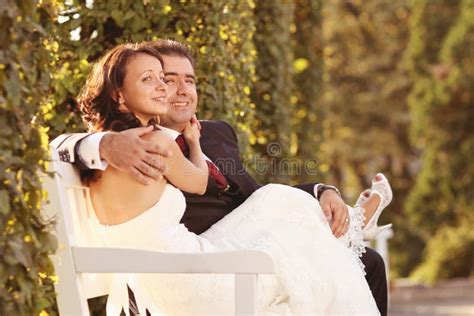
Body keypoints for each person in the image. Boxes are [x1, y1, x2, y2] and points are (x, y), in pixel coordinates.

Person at [53, 40, 391, 315]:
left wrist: (321, 190)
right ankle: (356, 226)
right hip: (197, 275)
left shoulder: (211, 133)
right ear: (119, 94)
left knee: (283, 204)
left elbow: (249, 195)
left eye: (188, 80)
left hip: (195, 265)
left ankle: (352, 225)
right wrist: (103, 144)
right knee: (325, 268)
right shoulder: (131, 146)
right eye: (163, 80)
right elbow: (60, 146)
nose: (173, 89)